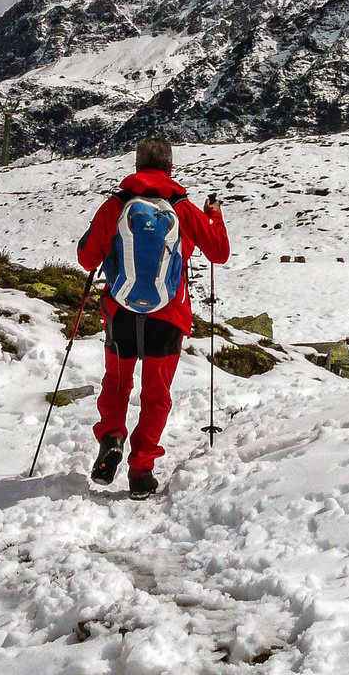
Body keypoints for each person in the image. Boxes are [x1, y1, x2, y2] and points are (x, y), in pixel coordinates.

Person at [76, 136, 230, 499]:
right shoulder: (183, 208)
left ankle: (112, 436)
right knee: (156, 394)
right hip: (169, 314)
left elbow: (86, 259)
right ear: (170, 168)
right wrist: (215, 217)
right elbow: (219, 253)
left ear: (136, 167)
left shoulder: (117, 205)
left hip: (120, 311)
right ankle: (141, 471)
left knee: (117, 381)